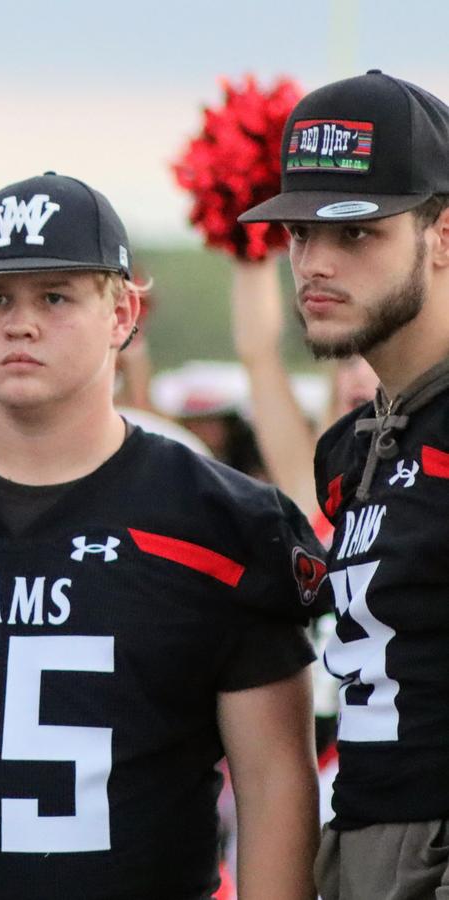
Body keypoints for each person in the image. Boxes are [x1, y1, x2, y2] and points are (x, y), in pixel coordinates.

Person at [0, 172, 324, 899]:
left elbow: (273, 783)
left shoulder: (222, 521)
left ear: (122, 313)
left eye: (55, 296)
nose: (21, 323)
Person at [236, 69, 449, 900]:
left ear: (442, 233)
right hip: (360, 843)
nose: (315, 262)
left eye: (355, 233)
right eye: (298, 232)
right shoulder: (351, 445)